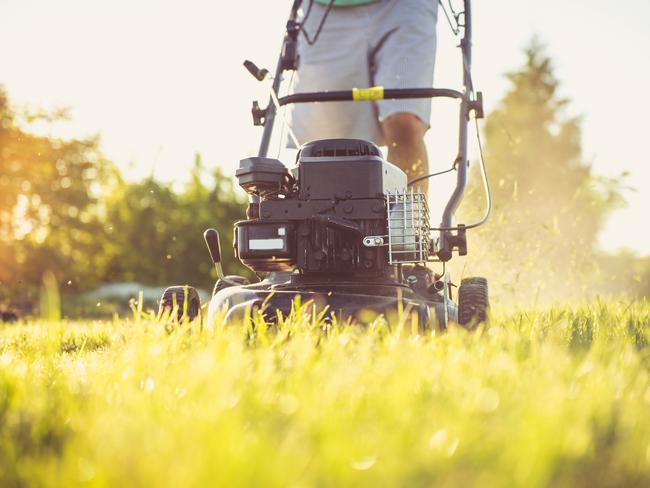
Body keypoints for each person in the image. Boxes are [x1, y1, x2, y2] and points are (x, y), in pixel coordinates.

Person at [291, 0, 439, 194]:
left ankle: (406, 221)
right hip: (326, 11)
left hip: (406, 7)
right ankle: (331, 222)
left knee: (405, 121)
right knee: (327, 147)